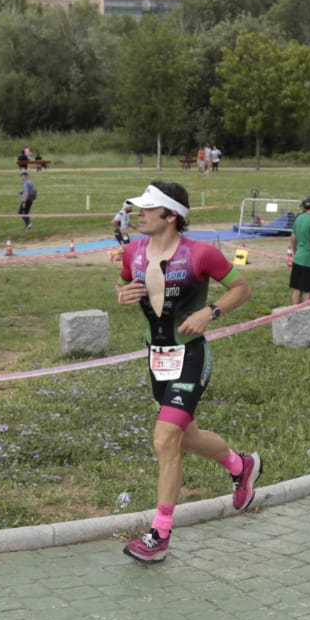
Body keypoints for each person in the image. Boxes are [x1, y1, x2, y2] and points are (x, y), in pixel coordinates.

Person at [111, 180, 262, 564]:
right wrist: (123, 293)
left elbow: (242, 288)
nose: (139, 213)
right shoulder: (132, 251)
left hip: (191, 356)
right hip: (157, 358)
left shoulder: (202, 254)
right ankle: (240, 465)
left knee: (165, 440)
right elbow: (125, 283)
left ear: (172, 215)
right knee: (186, 438)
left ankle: (159, 534)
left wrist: (209, 312)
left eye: (148, 208)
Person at [289, 193, 310, 305]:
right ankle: (306, 315)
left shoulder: (299, 218)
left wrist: (295, 253)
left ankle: (294, 312)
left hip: (298, 258)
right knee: (309, 290)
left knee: (297, 289)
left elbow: (293, 238)